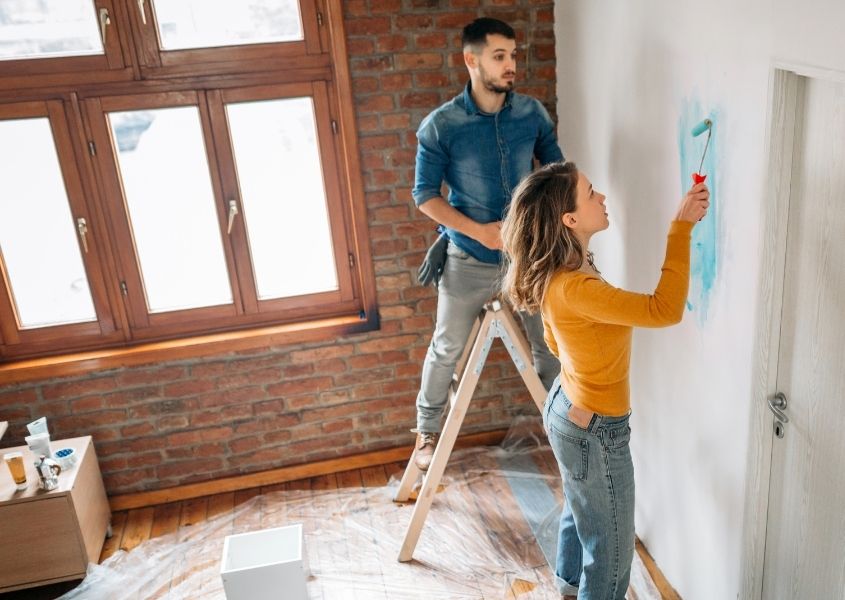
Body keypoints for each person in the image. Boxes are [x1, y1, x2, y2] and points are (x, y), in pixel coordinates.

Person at [500, 161, 709, 599]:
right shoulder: (577, 287)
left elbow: (556, 345)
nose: (603, 197)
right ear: (570, 220)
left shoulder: (561, 271)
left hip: (566, 408)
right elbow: (662, 310)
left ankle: (567, 589)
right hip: (594, 430)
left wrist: (589, 362)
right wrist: (681, 227)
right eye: (591, 192)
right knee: (611, 555)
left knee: (582, 515)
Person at [410, 17, 564, 471]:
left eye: (514, 55)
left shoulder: (531, 114)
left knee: (550, 343)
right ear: (470, 60)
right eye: (500, 56)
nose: (511, 65)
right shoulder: (442, 125)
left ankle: (561, 425)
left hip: (526, 259)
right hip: (467, 259)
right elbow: (425, 197)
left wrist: (543, 227)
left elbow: (556, 176)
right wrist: (479, 231)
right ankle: (426, 433)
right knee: (445, 347)